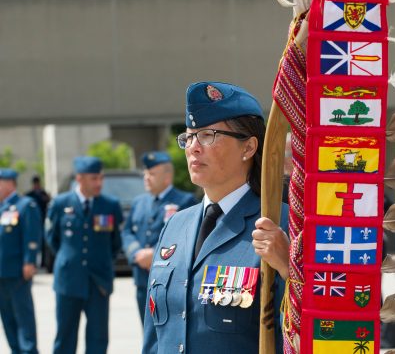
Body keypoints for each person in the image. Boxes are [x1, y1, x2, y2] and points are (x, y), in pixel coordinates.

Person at [142, 81, 290, 354]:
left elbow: (314, 328)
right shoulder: (176, 225)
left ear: (248, 148)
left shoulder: (279, 223)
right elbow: (155, 335)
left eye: (208, 135)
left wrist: (289, 270)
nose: (193, 148)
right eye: (189, 137)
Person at [45, 156, 123, 354]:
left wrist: (102, 261)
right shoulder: (60, 203)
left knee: (98, 337)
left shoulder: (110, 205)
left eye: (100, 178)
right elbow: (52, 238)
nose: (99, 183)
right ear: (79, 179)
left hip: (99, 282)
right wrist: (69, 259)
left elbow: (115, 242)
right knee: (65, 336)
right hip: (69, 280)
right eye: (93, 179)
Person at [121, 151, 198, 324]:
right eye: (146, 173)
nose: (147, 177)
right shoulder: (139, 202)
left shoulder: (185, 201)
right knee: (147, 334)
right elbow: (126, 232)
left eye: (152, 174)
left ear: (167, 177)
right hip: (143, 279)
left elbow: (187, 236)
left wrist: (154, 255)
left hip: (170, 281)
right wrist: (136, 253)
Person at [0, 168, 42, 354]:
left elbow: (32, 236)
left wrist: (30, 261)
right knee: (7, 319)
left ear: (9, 183)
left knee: (23, 318)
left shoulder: (26, 205)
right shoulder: (2, 208)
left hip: (17, 272)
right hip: (2, 273)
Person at [25, 175, 51, 267]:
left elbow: (48, 203)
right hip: (32, 222)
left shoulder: (43, 194)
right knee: (32, 242)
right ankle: (32, 261)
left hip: (42, 220)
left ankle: (44, 262)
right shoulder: (29, 195)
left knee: (44, 243)